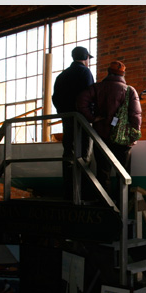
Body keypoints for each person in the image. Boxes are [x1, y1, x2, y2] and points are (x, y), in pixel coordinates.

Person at [77, 61, 142, 198]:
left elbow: (81, 102)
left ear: (108, 72)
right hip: (122, 139)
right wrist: (133, 137)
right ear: (123, 74)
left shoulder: (97, 88)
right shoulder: (130, 91)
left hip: (101, 136)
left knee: (103, 172)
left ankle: (105, 204)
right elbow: (135, 115)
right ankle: (121, 204)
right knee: (123, 173)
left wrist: (92, 118)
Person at [52, 46, 95, 201]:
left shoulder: (62, 76)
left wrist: (64, 114)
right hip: (82, 119)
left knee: (68, 154)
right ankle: (82, 192)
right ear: (86, 58)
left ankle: (69, 191)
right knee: (84, 155)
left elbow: (55, 98)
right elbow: (90, 95)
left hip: (68, 120)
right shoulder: (85, 72)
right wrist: (91, 115)